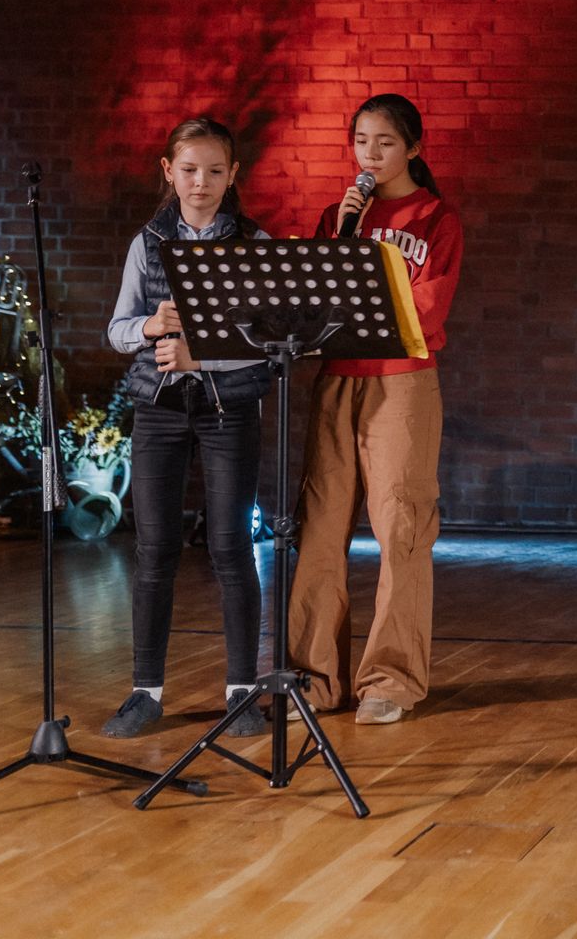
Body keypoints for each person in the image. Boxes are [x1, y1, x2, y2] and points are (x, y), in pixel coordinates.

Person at [287, 93, 463, 725]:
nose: (370, 154)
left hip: (403, 383)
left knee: (401, 528)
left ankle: (391, 680)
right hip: (338, 378)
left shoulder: (435, 218)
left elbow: (427, 308)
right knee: (319, 528)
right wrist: (343, 237)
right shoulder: (339, 216)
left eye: (385, 142)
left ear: (413, 147)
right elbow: (313, 300)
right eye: (361, 141)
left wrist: (359, 300)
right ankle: (314, 679)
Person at [101, 118, 272, 738]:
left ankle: (241, 692)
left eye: (215, 171)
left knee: (230, 547)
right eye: (190, 169)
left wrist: (203, 356)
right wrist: (151, 326)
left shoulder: (254, 242)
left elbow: (269, 344)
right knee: (154, 550)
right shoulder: (146, 242)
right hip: (160, 412)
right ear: (168, 172)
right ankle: (145, 693)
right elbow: (117, 330)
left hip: (230, 412)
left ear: (233, 175)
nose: (202, 182)